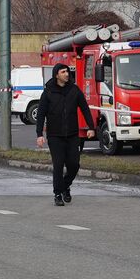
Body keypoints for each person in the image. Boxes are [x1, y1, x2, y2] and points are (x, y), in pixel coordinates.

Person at [35, 62, 95, 206]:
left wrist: (91, 127)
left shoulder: (74, 90)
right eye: (63, 72)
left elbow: (85, 109)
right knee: (58, 164)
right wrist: (39, 134)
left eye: (67, 71)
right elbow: (41, 114)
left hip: (73, 135)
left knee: (74, 164)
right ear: (56, 75)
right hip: (55, 136)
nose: (67, 74)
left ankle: (65, 186)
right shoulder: (48, 92)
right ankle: (57, 194)